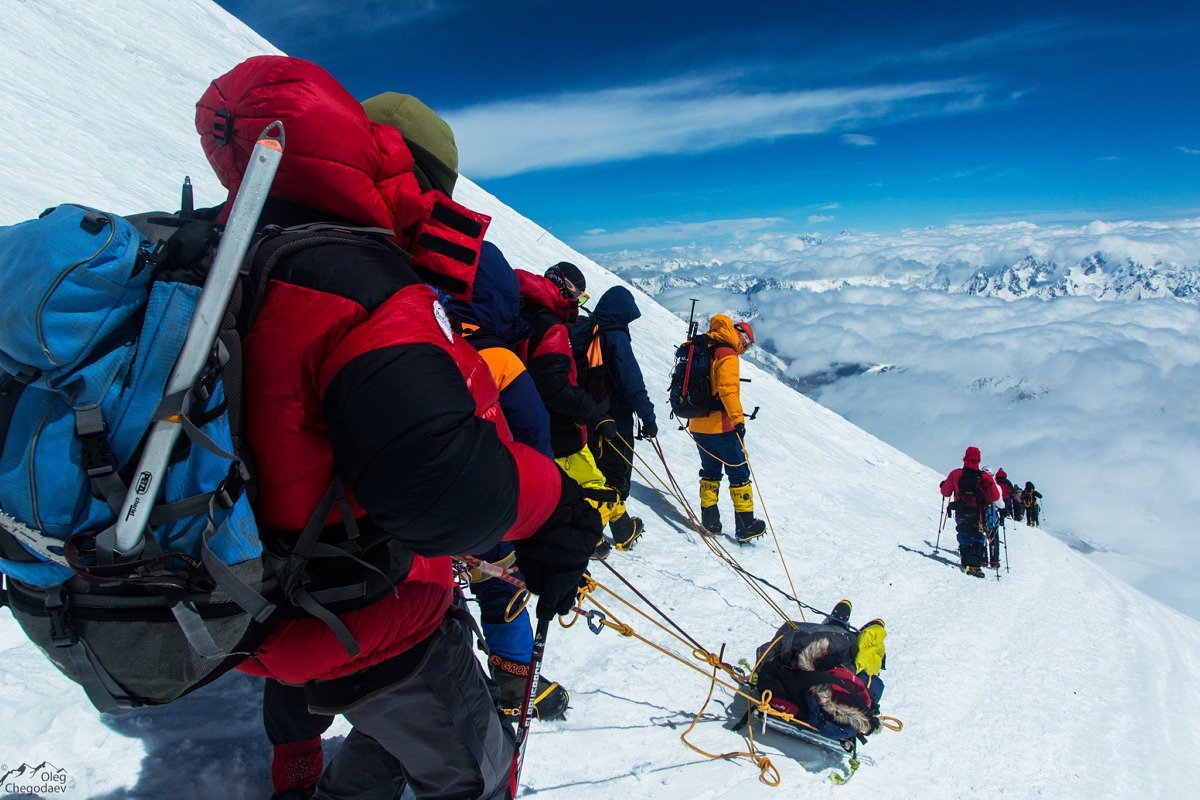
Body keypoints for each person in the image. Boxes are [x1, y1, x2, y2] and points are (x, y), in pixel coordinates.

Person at [196, 56, 598, 800]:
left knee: (374, 724)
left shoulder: (220, 251)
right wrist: (556, 511)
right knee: (478, 772)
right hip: (364, 609)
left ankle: (303, 771)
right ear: (421, 181)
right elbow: (446, 489)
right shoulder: (366, 285)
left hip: (234, 596)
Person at [445, 240, 570, 720]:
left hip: (414, 506)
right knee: (504, 590)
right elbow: (533, 439)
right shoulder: (497, 357)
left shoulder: (420, 340)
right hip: (489, 511)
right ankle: (517, 687)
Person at [517, 263, 624, 557]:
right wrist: (595, 413)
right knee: (592, 484)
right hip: (560, 426)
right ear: (563, 287)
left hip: (529, 421)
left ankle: (604, 532)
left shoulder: (523, 310)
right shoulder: (550, 325)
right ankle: (589, 540)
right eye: (577, 294)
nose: (577, 302)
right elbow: (554, 387)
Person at [729, 602, 887, 744]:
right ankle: (850, 630)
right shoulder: (850, 720)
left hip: (811, 658)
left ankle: (841, 626)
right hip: (816, 662)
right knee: (858, 660)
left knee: (849, 654)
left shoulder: (856, 712)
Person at [575, 286, 658, 551]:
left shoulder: (590, 331)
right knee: (615, 477)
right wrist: (648, 416)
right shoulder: (615, 336)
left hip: (590, 416)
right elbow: (631, 381)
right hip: (614, 420)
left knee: (596, 473)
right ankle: (593, 537)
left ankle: (621, 529)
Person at [687, 314, 765, 543]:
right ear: (740, 336)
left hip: (697, 423)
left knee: (710, 472)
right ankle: (745, 525)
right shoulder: (726, 354)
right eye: (746, 344)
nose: (744, 349)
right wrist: (738, 421)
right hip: (721, 425)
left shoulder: (701, 346)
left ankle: (710, 521)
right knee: (738, 472)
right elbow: (728, 390)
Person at [938, 446, 1001, 577]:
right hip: (979, 513)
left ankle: (966, 561)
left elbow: (945, 492)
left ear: (964, 457)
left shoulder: (956, 474)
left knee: (964, 534)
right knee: (978, 536)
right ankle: (975, 565)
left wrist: (944, 485)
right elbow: (995, 496)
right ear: (979, 459)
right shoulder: (985, 477)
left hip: (961, 511)